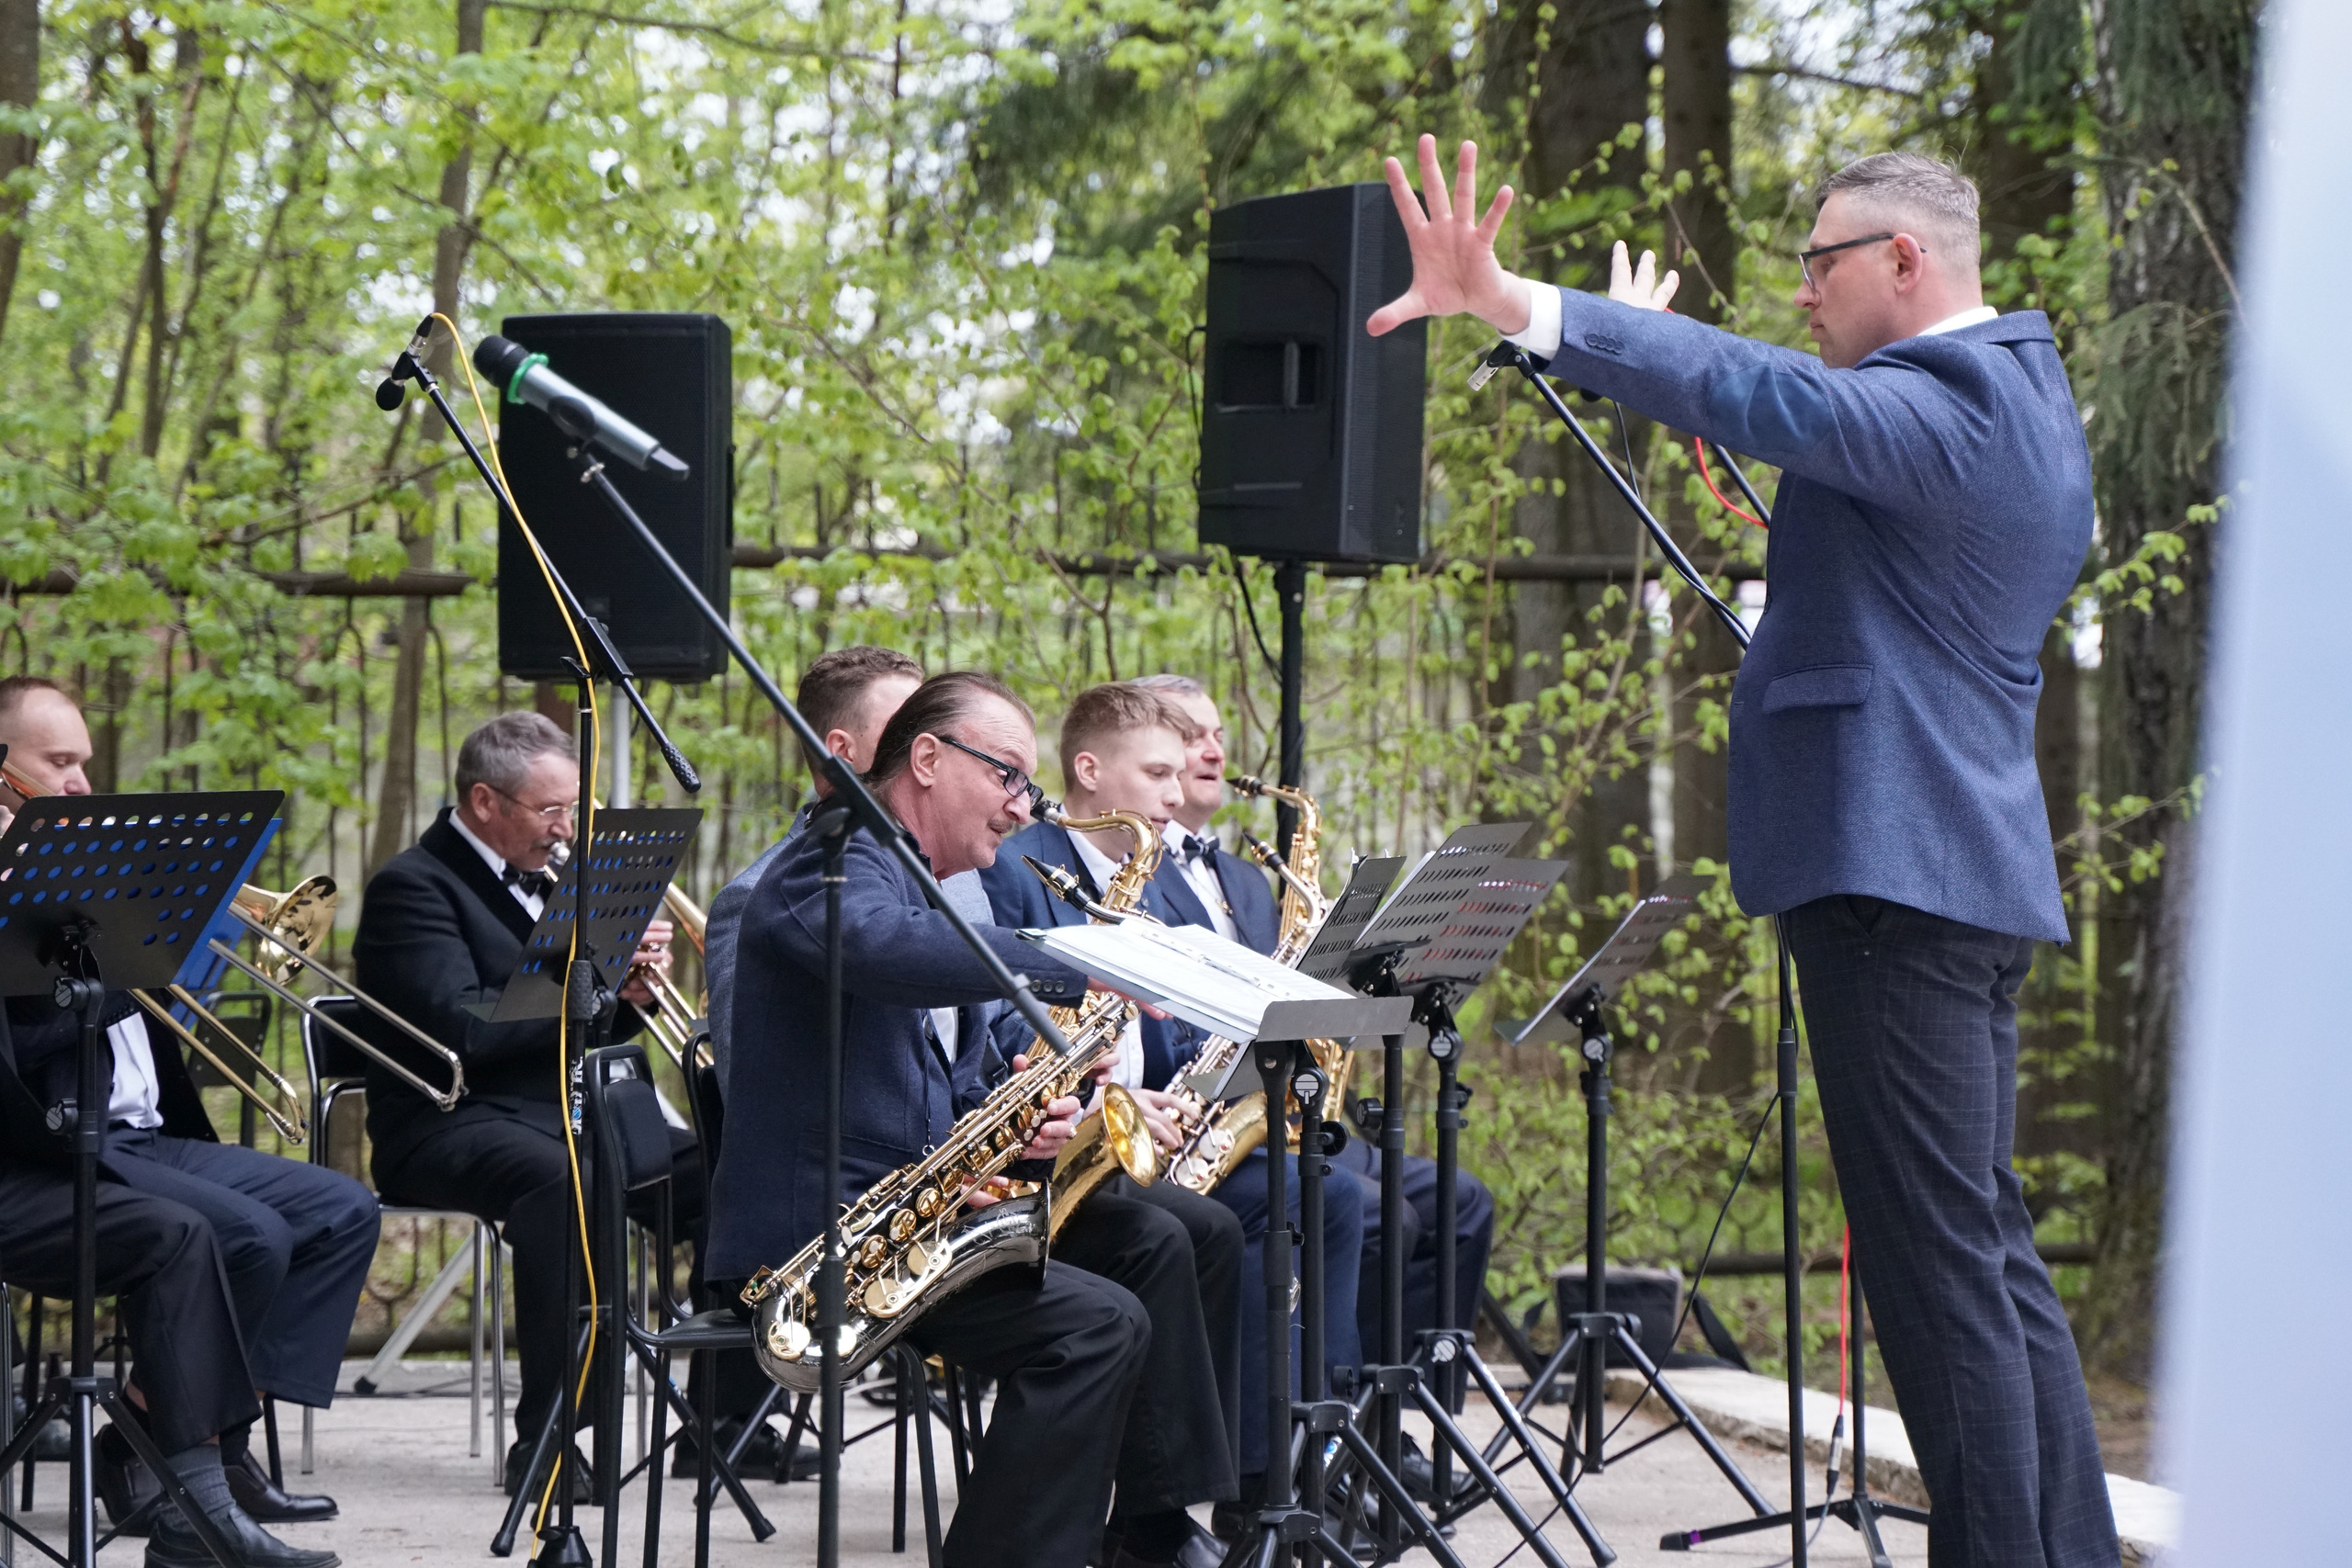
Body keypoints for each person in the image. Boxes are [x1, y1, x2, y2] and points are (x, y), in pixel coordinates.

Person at [1367, 137, 2118, 1567]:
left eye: (1819, 261)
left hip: (1895, 879)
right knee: (1986, 1260)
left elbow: (1765, 392)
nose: (1801, 290)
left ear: (1906, 259)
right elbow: (1823, 489)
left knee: (1941, 1277)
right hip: (1945, 872)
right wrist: (1639, 348)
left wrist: (1531, 306)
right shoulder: (2007, 396)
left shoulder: (1957, 399)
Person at [708, 672, 1227, 1568]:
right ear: (926, 759)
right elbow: (881, 950)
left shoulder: (936, 882)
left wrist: (1019, 1113)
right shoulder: (823, 864)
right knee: (1094, 1326)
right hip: (825, 1239)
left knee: (1151, 1245)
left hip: (915, 1212)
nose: (1023, 808)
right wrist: (1076, 957)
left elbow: (943, 1061)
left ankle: (1154, 1528)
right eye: (1009, 779)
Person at [0, 676, 377, 1532]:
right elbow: (20, 1055)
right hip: (66, 1140)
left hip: (152, 1131)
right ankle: (190, 1456)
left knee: (342, 1208)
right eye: (56, 761)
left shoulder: (90, 866)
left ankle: (168, 1434)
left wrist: (157, 943)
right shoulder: (16, 886)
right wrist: (107, 969)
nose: (78, 783)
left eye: (83, 763)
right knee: (249, 1234)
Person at [985, 681, 1359, 1505]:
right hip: (1053, 1151)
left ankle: (1279, 1466)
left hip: (1141, 1129)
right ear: (1088, 769)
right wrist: (1107, 1111)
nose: (1175, 790)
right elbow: (1007, 1034)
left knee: (1310, 1200)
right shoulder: (1016, 872)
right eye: (1157, 772)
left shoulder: (1141, 870)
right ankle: (1206, 1494)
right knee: (1201, 1233)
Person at [350, 711, 679, 1496]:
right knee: (564, 1181)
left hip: (557, 1111)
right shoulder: (412, 887)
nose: (567, 830)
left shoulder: (557, 878)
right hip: (448, 1122)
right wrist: (581, 977)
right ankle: (552, 1439)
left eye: (574, 810)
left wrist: (621, 993)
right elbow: (461, 1028)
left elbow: (576, 1023)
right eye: (552, 811)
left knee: (727, 1162)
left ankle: (734, 1416)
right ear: (484, 801)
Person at [0, 1014, 335, 1568]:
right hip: (30, 1162)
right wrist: (105, 991)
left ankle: (197, 1504)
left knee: (200, 1230)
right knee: (187, 1236)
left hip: (60, 1154)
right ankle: (196, 1504)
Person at [702, 646, 926, 1070]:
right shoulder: (749, 901)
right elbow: (752, 1093)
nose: (928, 749)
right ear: (843, 752)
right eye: (906, 733)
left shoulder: (960, 875)